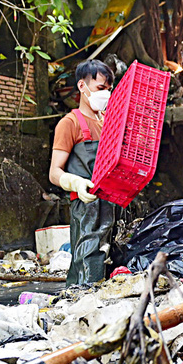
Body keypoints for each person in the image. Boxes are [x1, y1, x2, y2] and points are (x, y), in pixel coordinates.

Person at [48, 59, 115, 286]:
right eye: (100, 88)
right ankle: (78, 304)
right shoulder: (69, 124)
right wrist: (75, 182)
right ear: (82, 87)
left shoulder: (109, 122)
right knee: (86, 261)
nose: (105, 94)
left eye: (108, 89)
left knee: (110, 261)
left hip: (110, 204)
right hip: (84, 206)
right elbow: (54, 172)